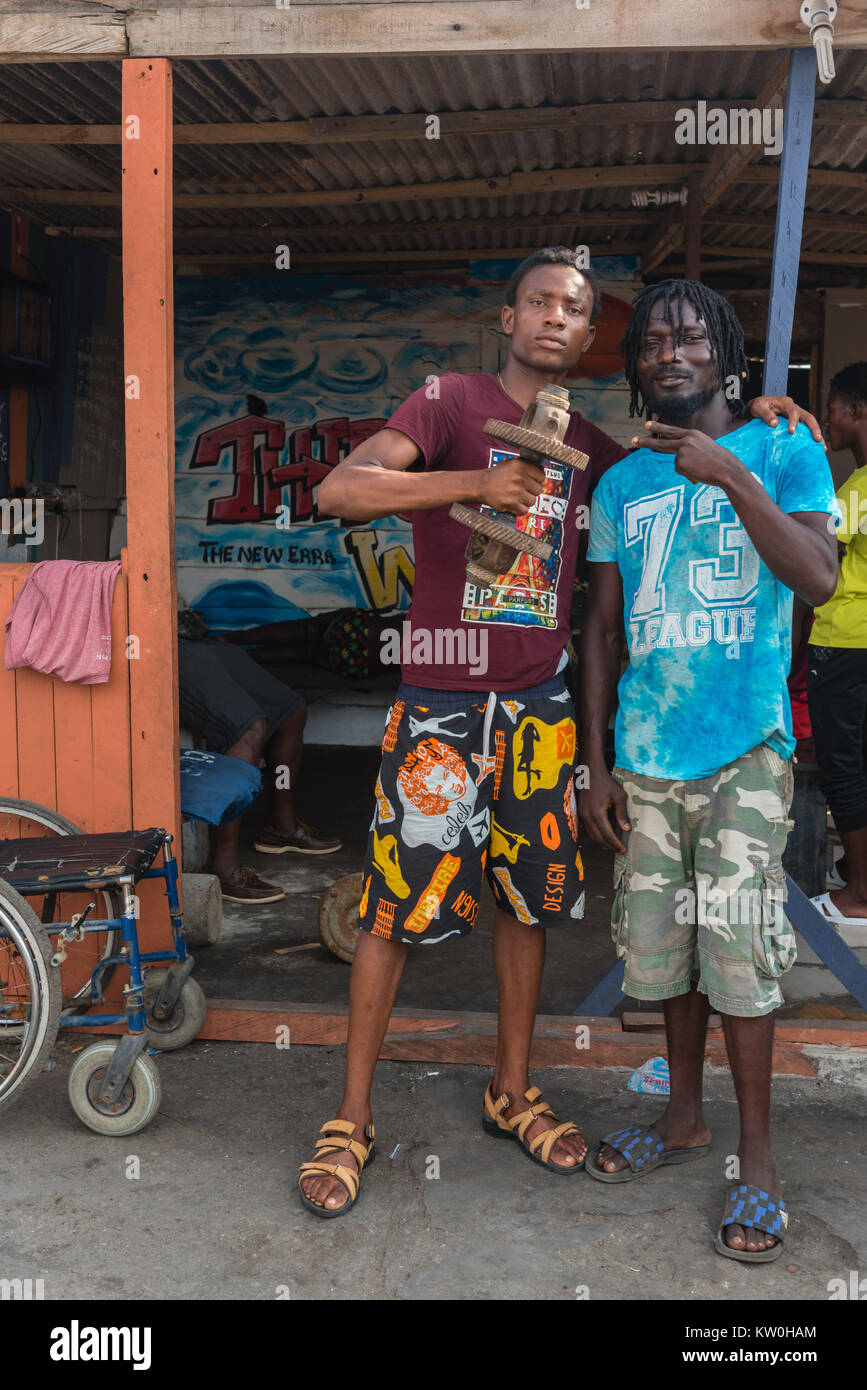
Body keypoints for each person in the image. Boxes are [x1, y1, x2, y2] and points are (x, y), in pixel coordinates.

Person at [295, 245, 821, 1218]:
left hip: (538, 712)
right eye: (537, 302)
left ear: (587, 339)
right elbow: (341, 493)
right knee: (391, 912)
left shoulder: (595, 449)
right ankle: (353, 1116)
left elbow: (690, 464)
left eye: (574, 309)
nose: (554, 318)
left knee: (528, 908)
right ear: (509, 318)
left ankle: (512, 1088)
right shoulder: (448, 402)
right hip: (442, 706)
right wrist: (462, 490)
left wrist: (767, 415)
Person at [578, 278, 838, 1264]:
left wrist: (729, 473)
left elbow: (817, 575)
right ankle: (682, 1114)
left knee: (739, 951)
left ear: (726, 358)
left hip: (745, 748)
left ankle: (758, 1162)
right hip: (645, 756)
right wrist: (594, 764)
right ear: (637, 364)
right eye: (652, 342)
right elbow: (599, 630)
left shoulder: (785, 447)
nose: (670, 352)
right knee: (664, 955)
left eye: (690, 338)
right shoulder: (619, 483)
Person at [177, 604, 341, 905]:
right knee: (250, 729)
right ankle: (222, 866)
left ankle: (281, 826)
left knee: (290, 710)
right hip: (162, 644)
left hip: (191, 634)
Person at [807, 362, 867, 928]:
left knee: (844, 764)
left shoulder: (850, 495)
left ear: (855, 412)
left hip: (845, 644)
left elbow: (813, 570)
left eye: (832, 407)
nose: (827, 418)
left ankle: (860, 898)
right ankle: (857, 868)